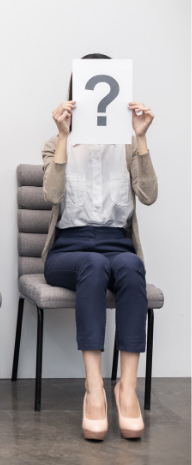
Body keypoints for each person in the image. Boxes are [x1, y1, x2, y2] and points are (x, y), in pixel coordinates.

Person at [42, 53, 157, 440]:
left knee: (130, 267)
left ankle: (126, 388)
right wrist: (62, 136)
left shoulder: (127, 145)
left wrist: (140, 137)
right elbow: (51, 194)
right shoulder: (57, 144)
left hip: (117, 244)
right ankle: (94, 388)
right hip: (69, 250)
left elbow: (149, 194)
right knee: (93, 263)